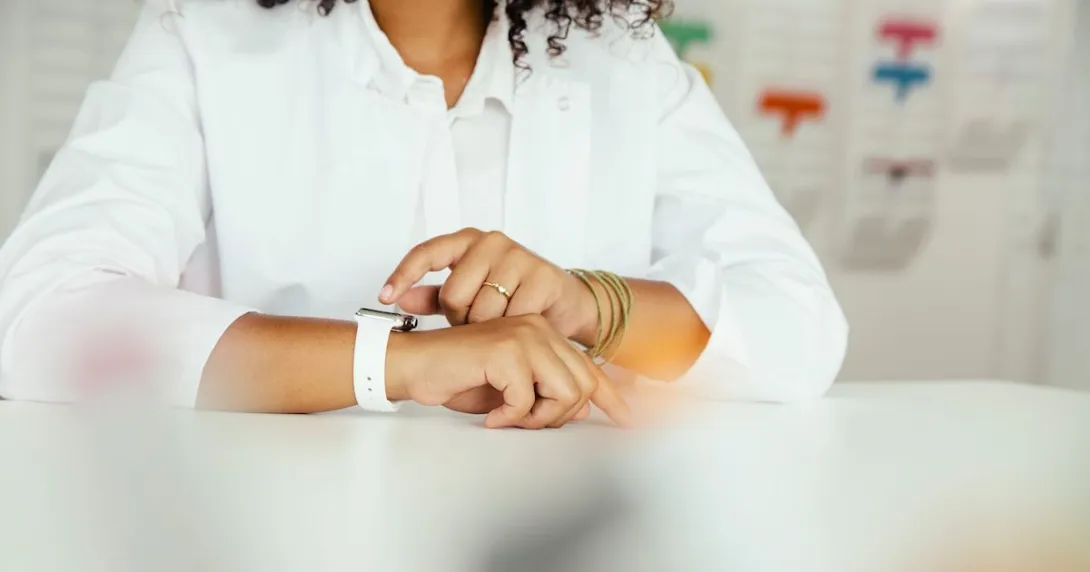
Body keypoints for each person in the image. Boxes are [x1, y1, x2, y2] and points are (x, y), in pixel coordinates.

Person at [0, 0, 848, 429]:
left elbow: (799, 329)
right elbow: (41, 319)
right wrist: (401, 362)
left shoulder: (621, 59)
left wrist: (589, 302)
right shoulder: (203, 32)